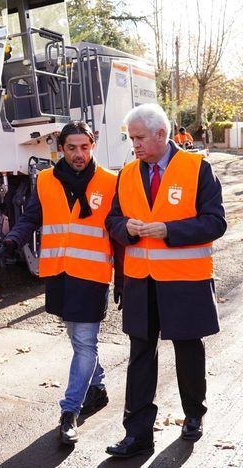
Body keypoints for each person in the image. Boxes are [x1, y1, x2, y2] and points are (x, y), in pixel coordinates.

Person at [105, 103, 226, 458]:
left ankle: (193, 415)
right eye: (131, 139)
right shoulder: (127, 174)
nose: (135, 145)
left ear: (162, 134)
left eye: (140, 137)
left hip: (184, 281)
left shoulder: (197, 168)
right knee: (140, 355)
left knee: (188, 351)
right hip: (141, 282)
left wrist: (168, 230)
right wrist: (123, 228)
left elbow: (215, 222)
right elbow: (112, 220)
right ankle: (137, 434)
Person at [0, 121, 122, 445]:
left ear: (92, 146)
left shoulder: (111, 182)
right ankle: (97, 387)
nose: (79, 154)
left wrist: (123, 277)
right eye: (72, 148)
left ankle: (70, 411)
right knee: (77, 338)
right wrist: (12, 242)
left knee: (84, 343)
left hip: (93, 276)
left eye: (84, 147)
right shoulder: (45, 180)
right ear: (61, 149)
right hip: (59, 274)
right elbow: (31, 218)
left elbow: (120, 236)